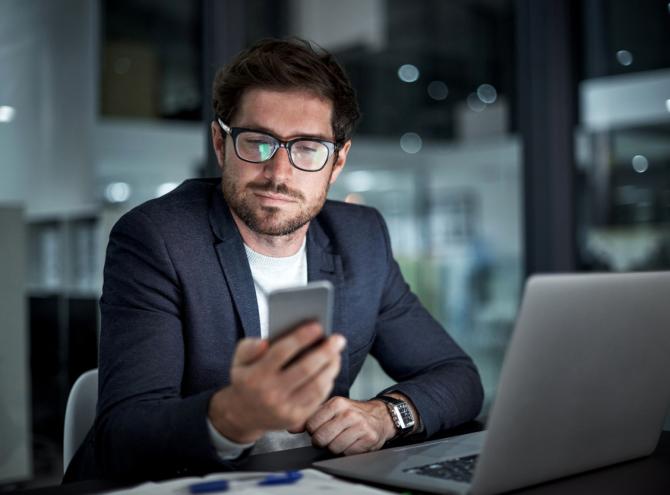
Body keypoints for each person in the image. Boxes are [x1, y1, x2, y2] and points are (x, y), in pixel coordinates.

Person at [65, 38, 483, 482]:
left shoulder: (361, 239)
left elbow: (456, 376)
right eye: (258, 141)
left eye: (307, 148)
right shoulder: (158, 239)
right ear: (220, 144)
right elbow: (124, 434)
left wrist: (387, 416)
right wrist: (234, 416)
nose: (278, 174)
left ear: (337, 161)